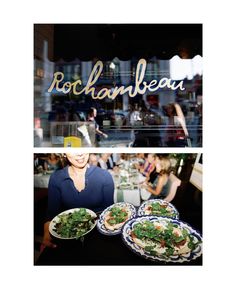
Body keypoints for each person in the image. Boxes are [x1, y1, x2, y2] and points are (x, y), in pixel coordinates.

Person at [42, 153, 114, 248]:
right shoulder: (56, 178)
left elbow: (110, 211)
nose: (80, 153)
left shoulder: (104, 176)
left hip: (99, 235)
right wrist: (47, 233)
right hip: (68, 237)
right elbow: (51, 214)